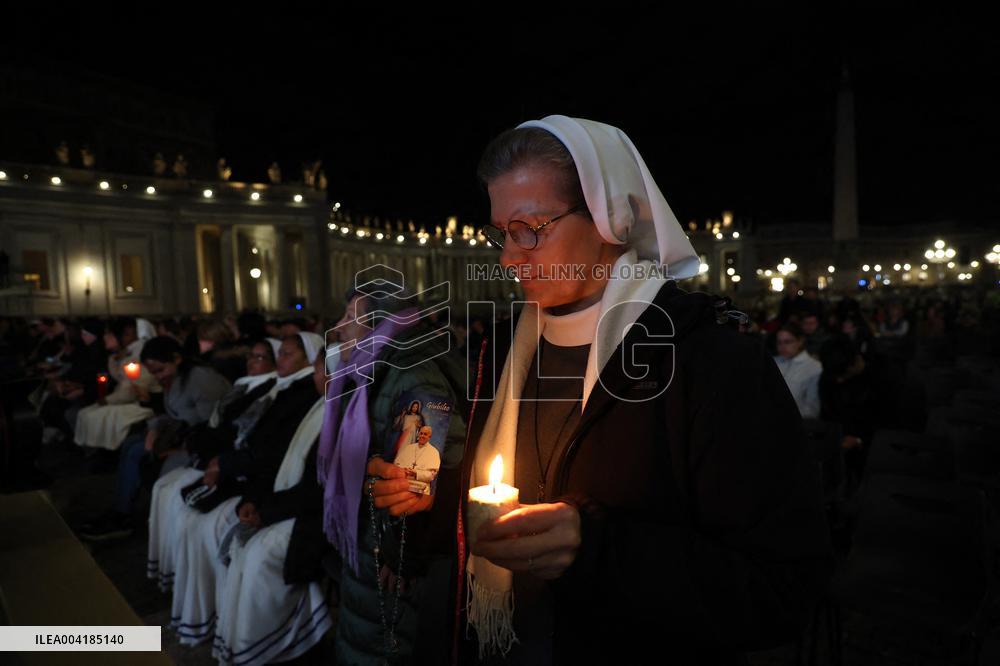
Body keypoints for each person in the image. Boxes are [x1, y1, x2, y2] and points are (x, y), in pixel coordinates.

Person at [461, 116, 832, 664]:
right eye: (501, 233)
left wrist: (595, 548)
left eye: (531, 229)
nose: (509, 257)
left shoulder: (712, 362)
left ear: (612, 218)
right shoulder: (501, 356)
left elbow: (781, 589)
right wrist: (427, 494)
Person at [319, 287, 467, 665]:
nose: (337, 328)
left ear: (375, 325)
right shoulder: (379, 368)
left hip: (391, 561)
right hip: (374, 544)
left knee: (385, 646)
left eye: (348, 318)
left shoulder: (413, 375)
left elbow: (427, 476)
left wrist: (405, 553)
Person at [212, 345, 334, 666]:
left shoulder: (341, 413)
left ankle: (270, 645)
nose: (322, 377)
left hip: (314, 519)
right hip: (288, 505)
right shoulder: (319, 404)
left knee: (256, 558)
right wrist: (256, 502)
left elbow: (318, 490)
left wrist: (267, 511)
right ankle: (239, 643)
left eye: (324, 368)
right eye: (323, 369)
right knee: (238, 547)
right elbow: (280, 462)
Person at [79, 335, 231, 540]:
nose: (158, 377)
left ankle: (125, 514)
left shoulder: (200, 378)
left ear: (176, 359)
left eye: (160, 370)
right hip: (182, 435)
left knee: (136, 452)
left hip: (203, 444)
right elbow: (172, 413)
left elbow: (214, 425)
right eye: (153, 373)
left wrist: (175, 447)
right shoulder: (175, 378)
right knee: (132, 443)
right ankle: (121, 509)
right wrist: (154, 429)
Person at [773, 322, 822, 419]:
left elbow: (812, 409)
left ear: (800, 341)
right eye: (779, 342)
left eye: (787, 342)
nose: (782, 346)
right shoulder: (774, 361)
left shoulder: (814, 367)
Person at [396, 425, 440, 491]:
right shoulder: (409, 447)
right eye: (421, 433)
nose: (422, 436)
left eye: (425, 434)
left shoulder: (434, 452)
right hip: (403, 483)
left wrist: (416, 473)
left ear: (429, 437)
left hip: (420, 487)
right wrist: (404, 470)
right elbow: (397, 464)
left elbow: (431, 476)